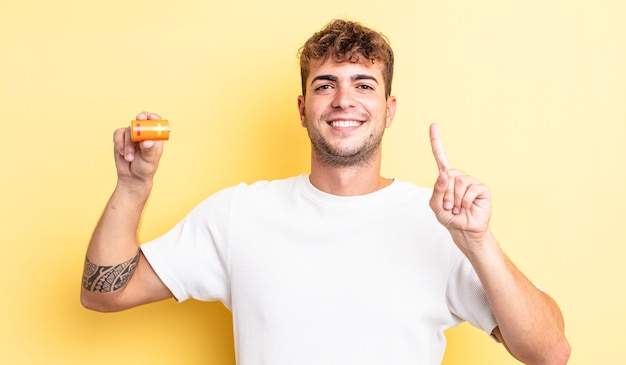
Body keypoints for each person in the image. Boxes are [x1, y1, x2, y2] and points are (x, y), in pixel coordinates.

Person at [81, 19, 570, 365]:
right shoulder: (240, 214)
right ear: (301, 107)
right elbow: (106, 292)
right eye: (325, 85)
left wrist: (479, 242)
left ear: (389, 107)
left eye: (363, 84)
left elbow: (550, 353)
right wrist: (133, 186)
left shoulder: (440, 222)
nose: (343, 100)